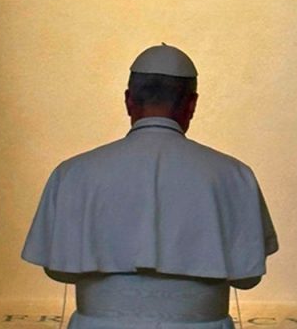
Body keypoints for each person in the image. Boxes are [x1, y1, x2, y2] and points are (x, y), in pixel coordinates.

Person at [22, 44, 278, 329]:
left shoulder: (72, 173)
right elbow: (248, 278)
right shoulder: (233, 175)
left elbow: (58, 271)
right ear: (191, 104)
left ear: (128, 100)